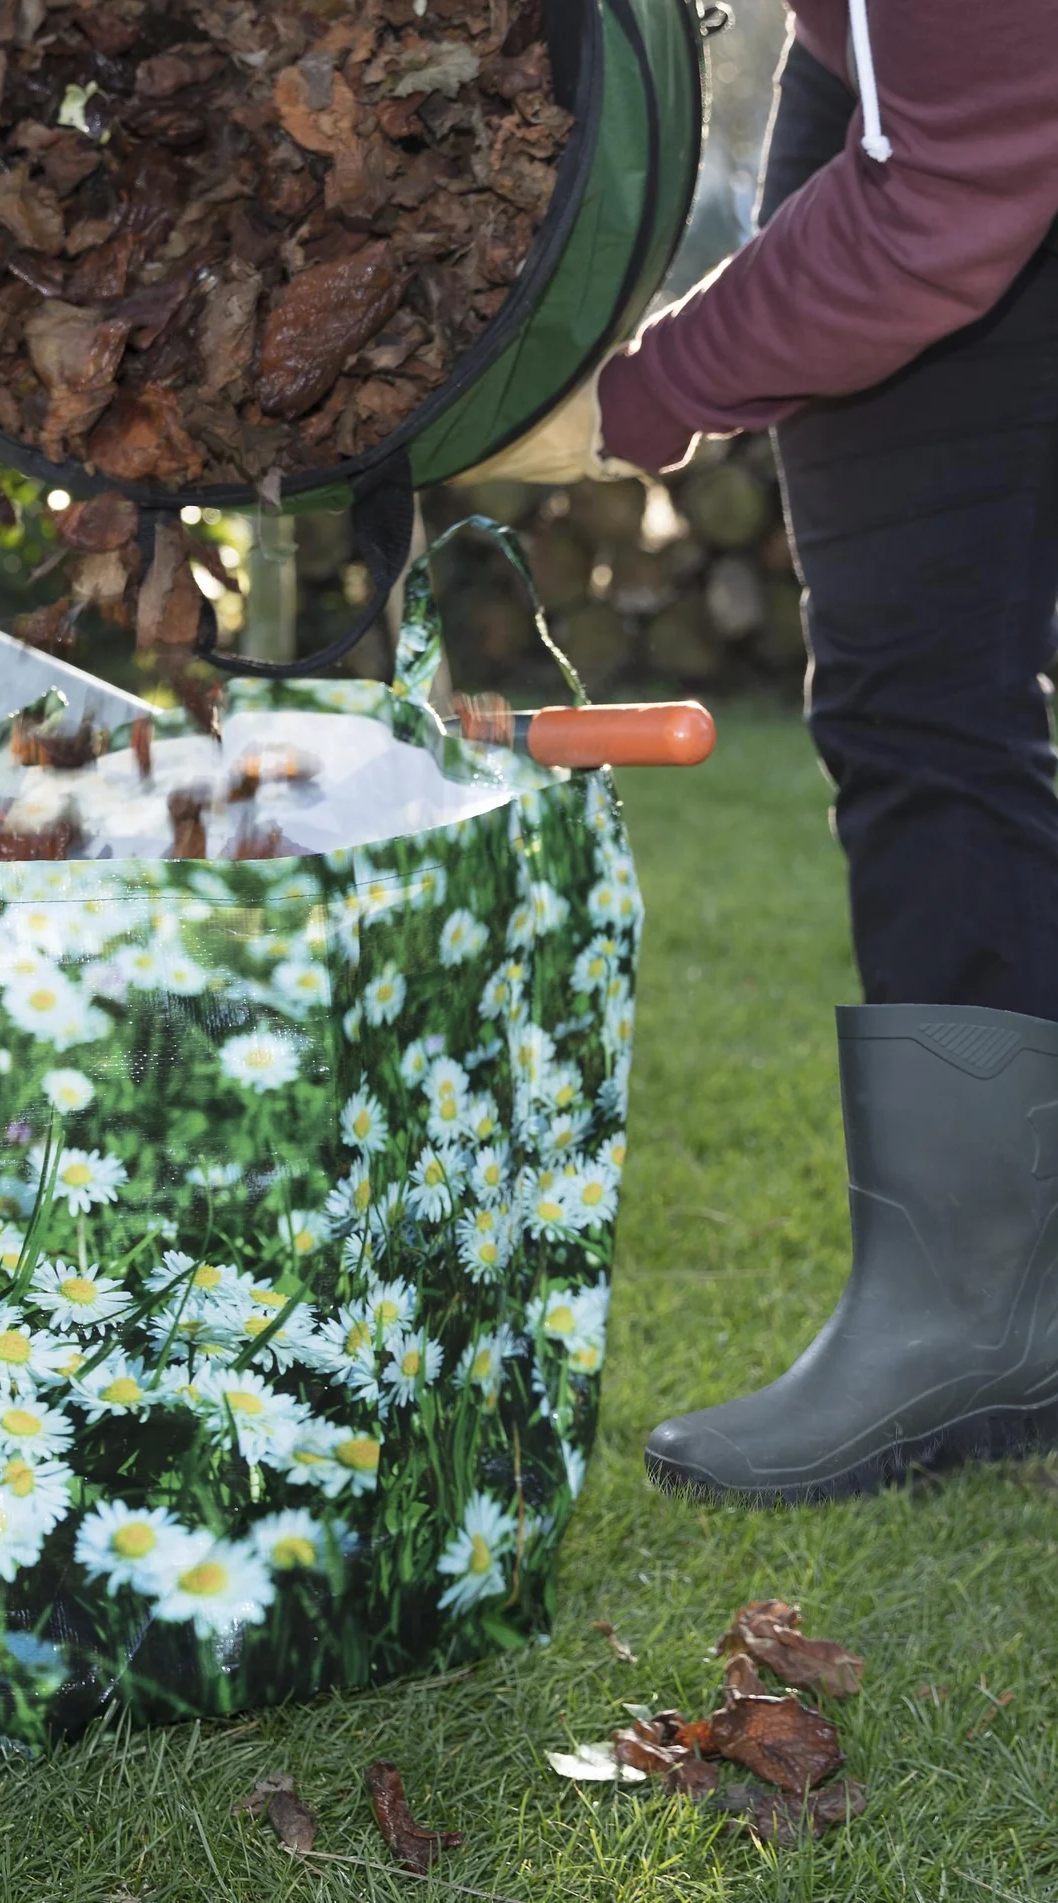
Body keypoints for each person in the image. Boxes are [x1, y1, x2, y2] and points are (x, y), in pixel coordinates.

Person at [470, 0, 1058, 1503]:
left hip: (963, 139)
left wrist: (626, 407)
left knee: (933, 700)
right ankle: (985, 1312)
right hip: (895, 93)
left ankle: (975, 1315)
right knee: (915, 693)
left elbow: (945, 199)